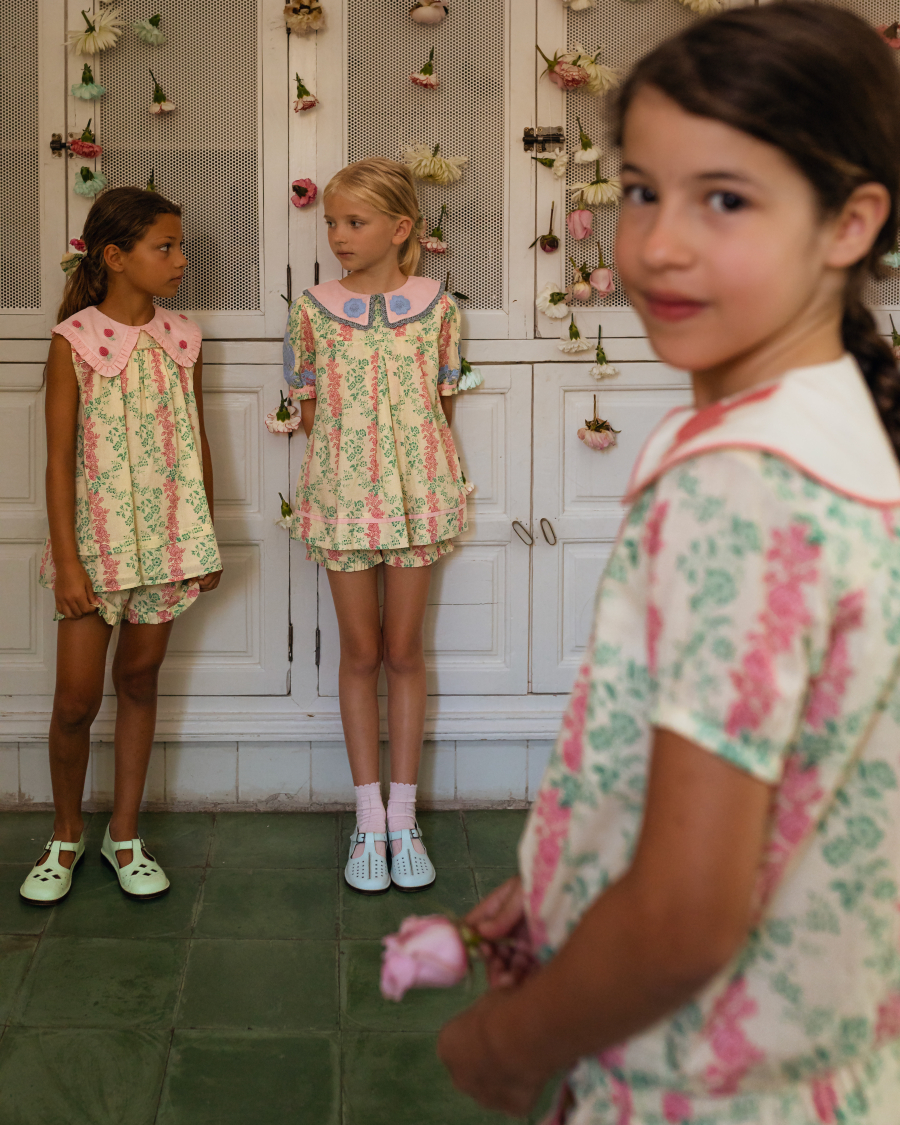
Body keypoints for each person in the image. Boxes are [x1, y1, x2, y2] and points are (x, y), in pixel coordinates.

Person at [437, 4, 900, 1121]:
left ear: (849, 223)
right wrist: (572, 872)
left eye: (724, 200)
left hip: (696, 1084)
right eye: (641, 190)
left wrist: (507, 1042)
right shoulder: (832, 428)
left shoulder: (740, 487)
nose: (656, 245)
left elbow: (687, 918)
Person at [20, 188, 222, 906]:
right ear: (114, 256)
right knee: (75, 700)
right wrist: (68, 561)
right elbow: (58, 461)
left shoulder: (184, 337)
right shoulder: (73, 341)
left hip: (169, 543)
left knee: (139, 681)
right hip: (95, 550)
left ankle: (126, 835)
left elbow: (197, 440)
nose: (181, 259)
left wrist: (203, 538)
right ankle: (65, 834)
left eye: (180, 245)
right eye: (165, 247)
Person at [284, 157, 467, 894]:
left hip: (418, 497)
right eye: (332, 222)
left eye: (354, 222)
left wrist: (407, 471)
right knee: (359, 653)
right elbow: (308, 411)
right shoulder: (312, 309)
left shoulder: (439, 307)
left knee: (403, 652)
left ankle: (404, 818)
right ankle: (368, 818)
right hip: (342, 499)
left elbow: (441, 407)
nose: (338, 235)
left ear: (400, 228)